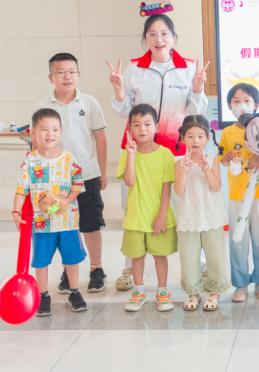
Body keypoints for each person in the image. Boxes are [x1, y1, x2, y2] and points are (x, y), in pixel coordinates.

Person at [106, 13, 209, 291]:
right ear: (145, 38)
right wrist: (119, 90)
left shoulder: (188, 68)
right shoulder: (134, 68)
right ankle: (129, 268)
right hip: (138, 151)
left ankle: (198, 265)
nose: (158, 39)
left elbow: (196, 111)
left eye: (164, 33)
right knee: (134, 208)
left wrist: (197, 88)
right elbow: (124, 111)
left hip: (175, 151)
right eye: (152, 34)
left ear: (173, 37)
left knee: (185, 206)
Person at [34, 53, 109, 295]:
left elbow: (100, 138)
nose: (67, 76)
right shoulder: (41, 107)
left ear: (78, 75)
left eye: (71, 72)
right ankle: (68, 272)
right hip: (55, 180)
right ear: (51, 77)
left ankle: (96, 269)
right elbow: (36, 143)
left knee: (90, 224)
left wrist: (102, 171)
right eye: (60, 72)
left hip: (87, 174)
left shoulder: (89, 102)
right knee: (62, 227)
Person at [13, 108, 87, 317]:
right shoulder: (29, 161)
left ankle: (74, 292)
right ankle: (43, 295)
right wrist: (16, 212)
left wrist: (67, 201)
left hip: (68, 222)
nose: (50, 134)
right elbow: (21, 190)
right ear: (33, 132)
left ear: (60, 132)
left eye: (54, 129)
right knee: (41, 260)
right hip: (41, 223)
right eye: (44, 129)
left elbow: (77, 184)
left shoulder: (69, 159)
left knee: (71, 258)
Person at [118, 104, 178, 313]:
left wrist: (162, 215)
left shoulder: (166, 154)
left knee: (160, 255)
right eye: (136, 124)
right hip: (135, 217)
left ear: (157, 127)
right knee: (137, 256)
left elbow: (166, 189)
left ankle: (162, 292)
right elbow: (129, 181)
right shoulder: (127, 154)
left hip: (159, 216)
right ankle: (139, 292)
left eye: (147, 124)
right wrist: (131, 155)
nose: (142, 128)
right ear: (129, 129)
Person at [218, 83, 259, 302]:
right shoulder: (227, 132)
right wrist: (226, 159)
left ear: (256, 105)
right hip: (237, 195)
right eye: (236, 101)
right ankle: (240, 284)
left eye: (247, 100)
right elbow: (222, 158)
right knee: (238, 240)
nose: (241, 104)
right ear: (229, 106)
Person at [173, 115, 231, 311]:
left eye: (200, 136)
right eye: (190, 136)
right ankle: (193, 292)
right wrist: (184, 170)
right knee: (189, 255)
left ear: (207, 138)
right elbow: (179, 190)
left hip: (211, 215)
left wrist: (206, 169)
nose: (195, 141)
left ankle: (215, 292)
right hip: (188, 216)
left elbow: (216, 187)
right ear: (182, 138)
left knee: (216, 253)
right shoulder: (178, 163)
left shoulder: (213, 161)